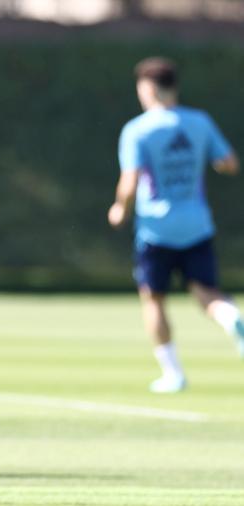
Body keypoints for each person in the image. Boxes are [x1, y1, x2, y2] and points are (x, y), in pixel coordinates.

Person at [109, 56, 244, 394]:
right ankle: (232, 318)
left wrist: (119, 209)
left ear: (148, 88)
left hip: (156, 229)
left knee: (153, 298)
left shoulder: (138, 129)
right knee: (207, 293)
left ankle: (173, 374)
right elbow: (228, 163)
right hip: (197, 224)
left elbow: (129, 182)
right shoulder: (199, 121)